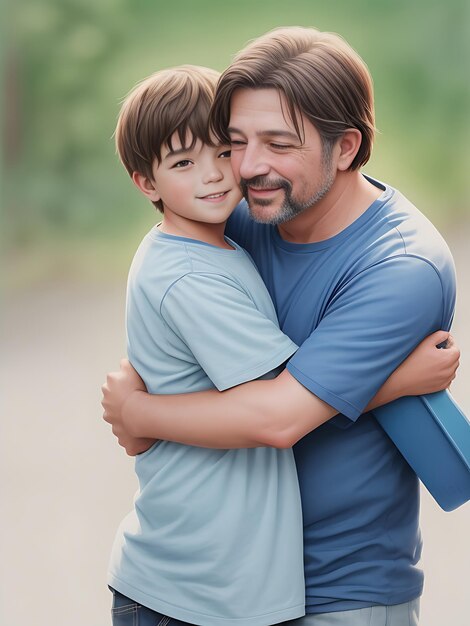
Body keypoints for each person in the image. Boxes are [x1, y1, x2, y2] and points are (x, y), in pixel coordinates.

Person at [102, 28, 460, 626]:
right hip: (222, 582)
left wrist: (141, 415)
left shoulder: (401, 268)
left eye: (277, 143)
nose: (244, 167)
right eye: (235, 141)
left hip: (343, 589)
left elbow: (280, 416)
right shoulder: (240, 215)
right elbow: (168, 315)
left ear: (345, 147)